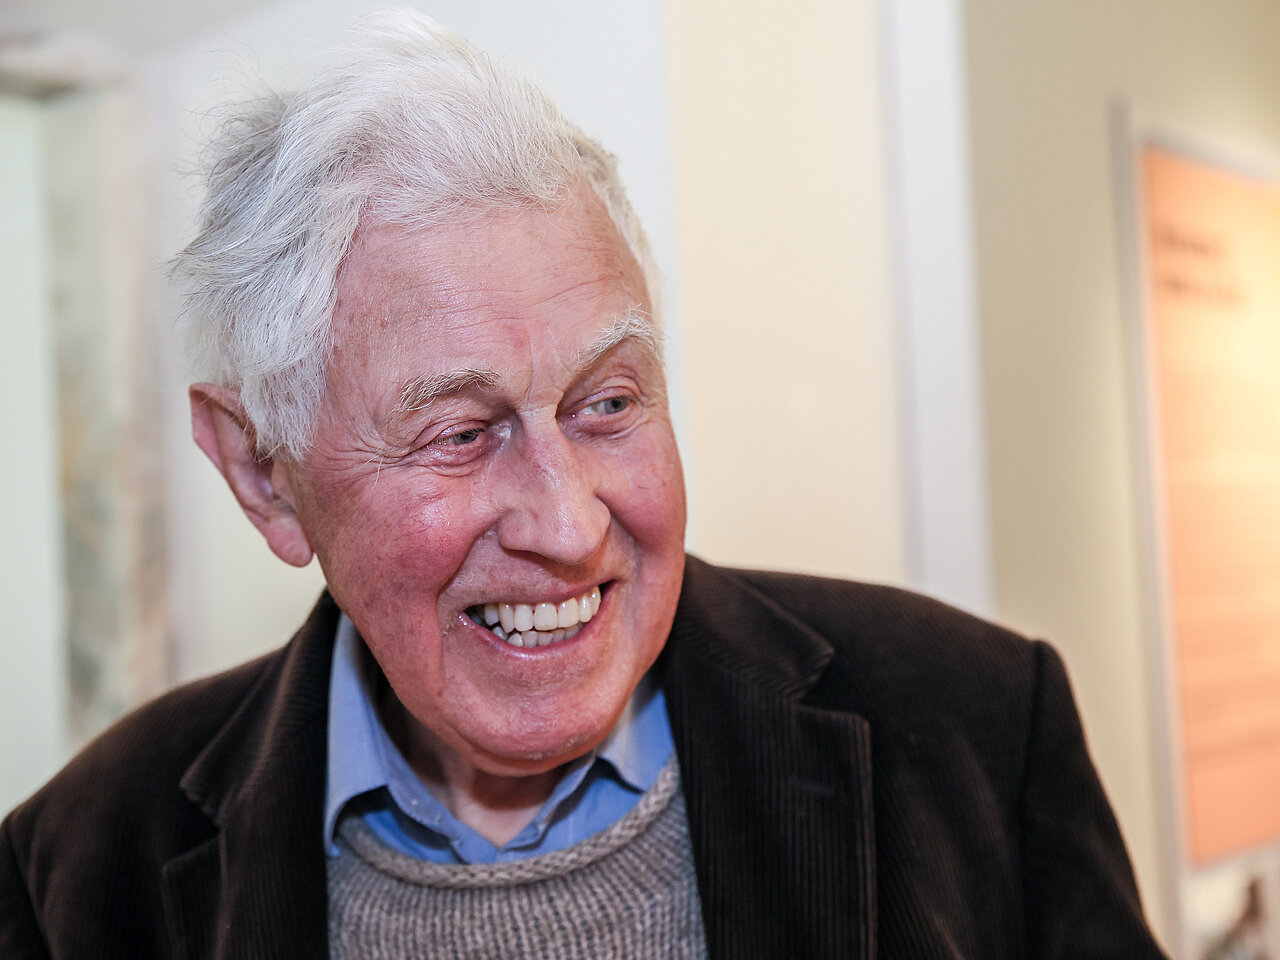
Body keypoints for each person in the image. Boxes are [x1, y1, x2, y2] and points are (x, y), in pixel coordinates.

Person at [0, 9, 1169, 959]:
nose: (568, 525)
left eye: (606, 404)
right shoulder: (81, 868)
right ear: (263, 473)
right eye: (461, 434)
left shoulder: (973, 728)